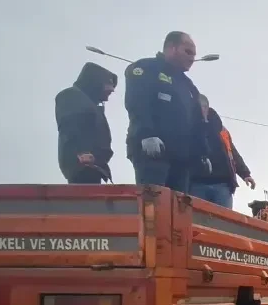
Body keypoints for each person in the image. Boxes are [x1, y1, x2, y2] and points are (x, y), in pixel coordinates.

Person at [124, 31, 207, 193]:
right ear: (171, 48)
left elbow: (198, 122)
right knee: (154, 204)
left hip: (181, 159)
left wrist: (202, 153)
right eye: (187, 52)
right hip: (153, 153)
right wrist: (146, 133)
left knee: (178, 211)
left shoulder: (188, 86)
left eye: (194, 54)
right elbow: (137, 102)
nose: (192, 58)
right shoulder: (146, 68)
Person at [54, 63, 117, 184]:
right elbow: (70, 125)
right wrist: (82, 151)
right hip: (83, 163)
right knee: (86, 200)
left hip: (93, 165)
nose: (112, 89)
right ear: (97, 82)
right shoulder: (71, 95)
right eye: (109, 84)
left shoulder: (90, 103)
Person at [191, 96, 254, 208]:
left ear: (207, 107)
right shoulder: (189, 126)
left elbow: (233, 153)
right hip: (197, 184)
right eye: (198, 107)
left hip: (222, 185)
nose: (201, 109)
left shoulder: (221, 129)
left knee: (223, 222)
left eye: (204, 106)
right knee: (197, 221)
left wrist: (245, 174)